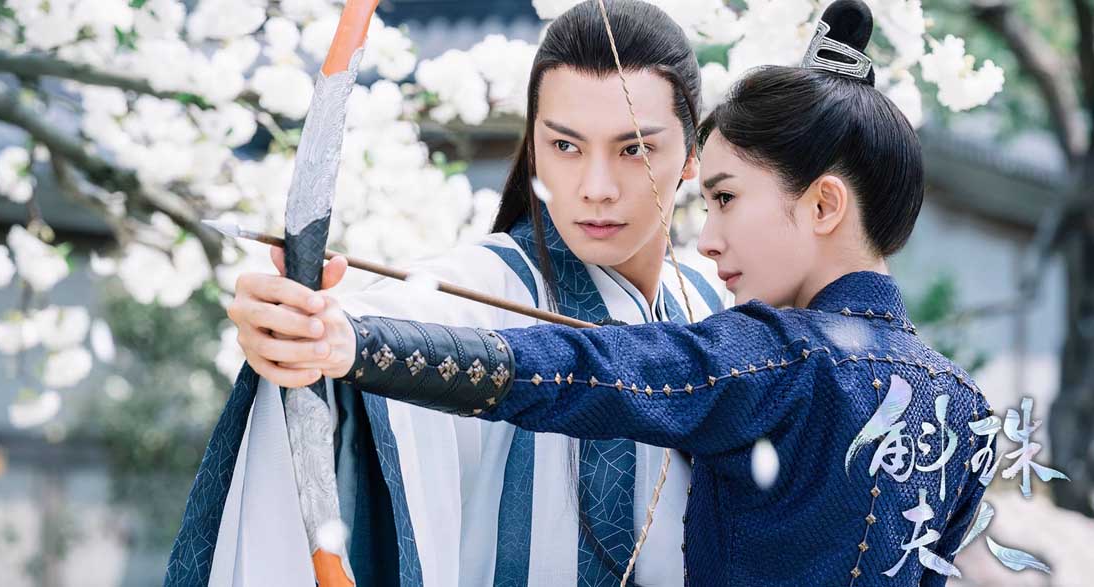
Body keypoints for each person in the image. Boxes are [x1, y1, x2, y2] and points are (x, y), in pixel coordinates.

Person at [289, 2, 995, 585]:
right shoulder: (964, 409)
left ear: (823, 205)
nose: (707, 238)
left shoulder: (776, 356)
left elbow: (594, 371)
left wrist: (356, 344)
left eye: (725, 198)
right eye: (564, 145)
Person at [166, 1, 724, 585]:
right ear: (534, 146)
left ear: (693, 155)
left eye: (635, 149)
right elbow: (399, 324)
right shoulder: (484, 286)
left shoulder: (709, 304)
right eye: (565, 146)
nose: (596, 188)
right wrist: (308, 330)